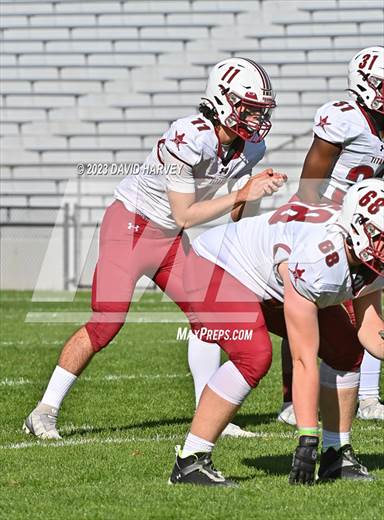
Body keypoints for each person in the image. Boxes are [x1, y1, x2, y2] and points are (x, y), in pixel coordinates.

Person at [23, 58, 286, 440]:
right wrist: (241, 193)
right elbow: (184, 215)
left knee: (210, 316)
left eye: (260, 110)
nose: (256, 119)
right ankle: (43, 410)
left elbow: (236, 214)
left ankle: (210, 413)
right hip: (132, 226)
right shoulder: (188, 136)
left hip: (168, 238)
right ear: (223, 100)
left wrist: (254, 191)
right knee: (106, 322)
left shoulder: (252, 148)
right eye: (248, 108)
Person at [169, 178, 383, 487]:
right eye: (380, 237)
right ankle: (190, 460)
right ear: (358, 228)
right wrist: (307, 438)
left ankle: (337, 453)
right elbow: (302, 359)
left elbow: (370, 330)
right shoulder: (316, 260)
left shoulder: (363, 253)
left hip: (271, 276)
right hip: (217, 264)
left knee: (346, 348)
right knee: (253, 355)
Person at [276, 46, 384, 425]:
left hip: (362, 224)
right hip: (321, 217)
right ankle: (293, 400)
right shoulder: (345, 117)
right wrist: (314, 220)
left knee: (371, 304)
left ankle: (368, 397)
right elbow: (310, 181)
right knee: (304, 305)